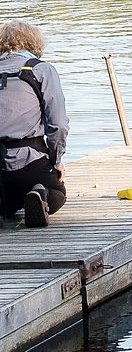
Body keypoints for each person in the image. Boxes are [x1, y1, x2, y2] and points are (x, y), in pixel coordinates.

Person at [0, 19, 69, 228]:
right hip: (29, 162)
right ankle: (40, 193)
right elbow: (58, 125)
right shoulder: (41, 70)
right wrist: (56, 161)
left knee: (7, 204)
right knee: (58, 192)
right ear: (34, 45)